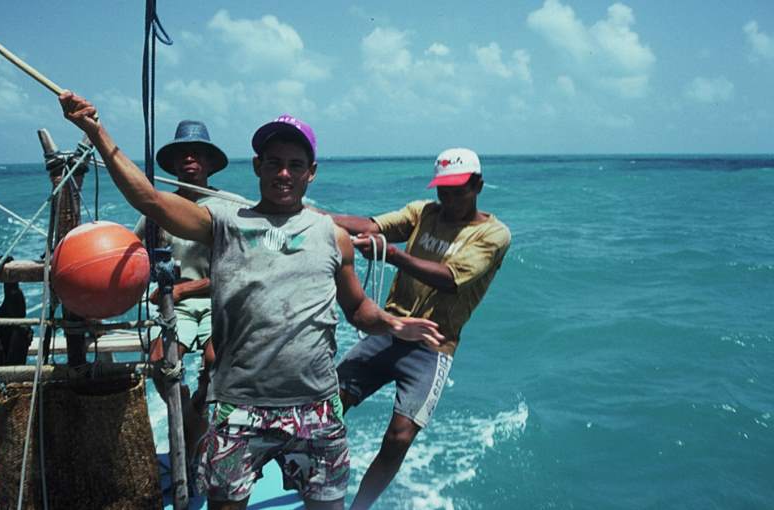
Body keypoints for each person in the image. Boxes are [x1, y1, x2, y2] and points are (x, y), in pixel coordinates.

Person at [58, 91, 444, 510]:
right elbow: (149, 200)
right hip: (237, 407)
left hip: (315, 407)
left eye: (295, 165)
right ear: (257, 166)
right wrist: (96, 131)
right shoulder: (223, 222)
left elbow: (357, 309)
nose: (284, 173)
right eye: (274, 162)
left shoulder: (331, 235)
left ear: (311, 173)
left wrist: (393, 323)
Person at [327, 148, 511, 509]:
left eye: (459, 190)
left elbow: (450, 279)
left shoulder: (494, 235)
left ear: (479, 186)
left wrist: (393, 255)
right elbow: (371, 225)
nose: (449, 199)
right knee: (329, 404)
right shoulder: (423, 212)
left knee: (399, 437)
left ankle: (359, 507)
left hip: (433, 346)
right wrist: (315, 216)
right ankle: (310, 478)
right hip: (391, 328)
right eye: (443, 190)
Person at [133, 119, 237, 461]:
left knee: (214, 360)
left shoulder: (230, 208)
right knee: (161, 365)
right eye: (183, 155)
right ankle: (194, 419)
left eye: (197, 154)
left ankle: (199, 411)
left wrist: (188, 288)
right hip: (173, 303)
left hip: (216, 299)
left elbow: (239, 269)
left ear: (209, 163)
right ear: (174, 164)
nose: (190, 160)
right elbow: (133, 251)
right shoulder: (158, 207)